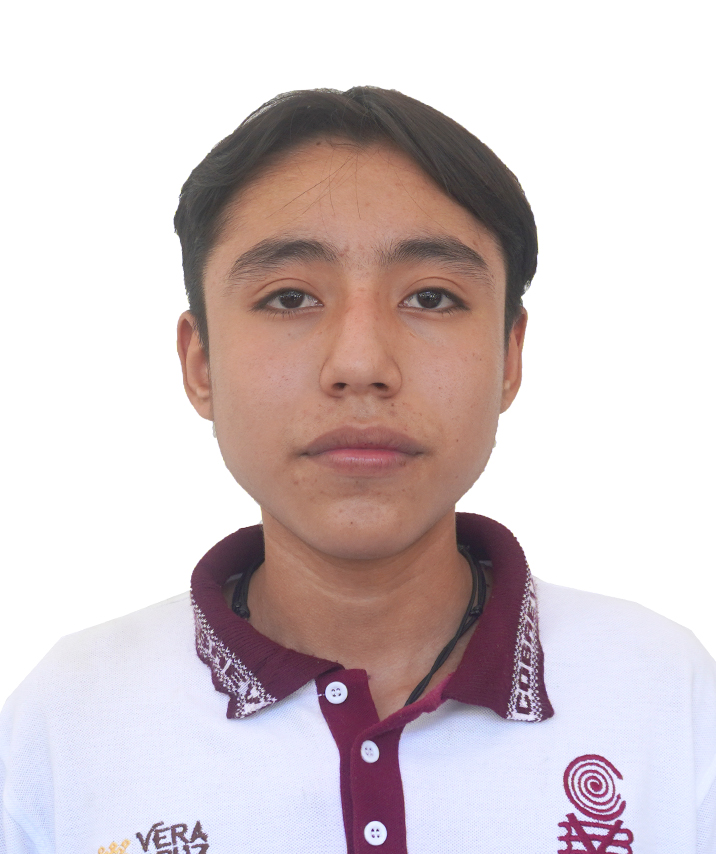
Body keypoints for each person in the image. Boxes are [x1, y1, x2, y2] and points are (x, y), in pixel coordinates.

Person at [1, 86, 714, 854]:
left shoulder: (666, 693)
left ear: (510, 358)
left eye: (432, 297)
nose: (362, 363)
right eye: (290, 298)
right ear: (200, 364)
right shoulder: (68, 721)